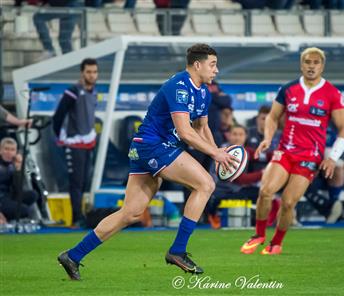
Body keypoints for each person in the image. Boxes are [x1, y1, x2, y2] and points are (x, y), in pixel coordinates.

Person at [57, 44, 236, 279]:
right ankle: (178, 250)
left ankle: (73, 255)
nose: (217, 70)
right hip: (154, 146)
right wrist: (215, 155)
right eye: (213, 64)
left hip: (149, 148)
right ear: (197, 64)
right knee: (205, 184)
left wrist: (216, 149)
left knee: (131, 213)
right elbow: (185, 132)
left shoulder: (203, 92)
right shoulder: (179, 86)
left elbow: (202, 127)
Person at [240, 47, 344, 255]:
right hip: (285, 151)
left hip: (310, 156)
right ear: (301, 65)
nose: (311, 66)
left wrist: (333, 158)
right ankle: (259, 235)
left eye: (316, 62)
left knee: (288, 202)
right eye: (307, 62)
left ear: (322, 65)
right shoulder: (288, 89)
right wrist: (267, 138)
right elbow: (272, 117)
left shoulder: (332, 94)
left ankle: (277, 243)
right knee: (265, 191)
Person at [52, 58, 99, 227]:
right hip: (74, 143)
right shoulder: (73, 92)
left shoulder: (93, 92)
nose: (92, 75)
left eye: (94, 72)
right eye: (89, 72)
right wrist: (62, 137)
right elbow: (58, 116)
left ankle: (81, 216)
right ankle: (76, 218)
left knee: (84, 181)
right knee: (76, 182)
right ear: (82, 73)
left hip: (88, 143)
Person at [0, 137, 38, 220]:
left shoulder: (15, 164)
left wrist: (19, 169)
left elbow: (28, 176)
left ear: (16, 152)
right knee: (24, 210)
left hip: (10, 195)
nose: (9, 152)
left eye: (12, 150)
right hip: (1, 199)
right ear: (1, 150)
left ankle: (12, 213)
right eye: (6, 149)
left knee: (33, 194)